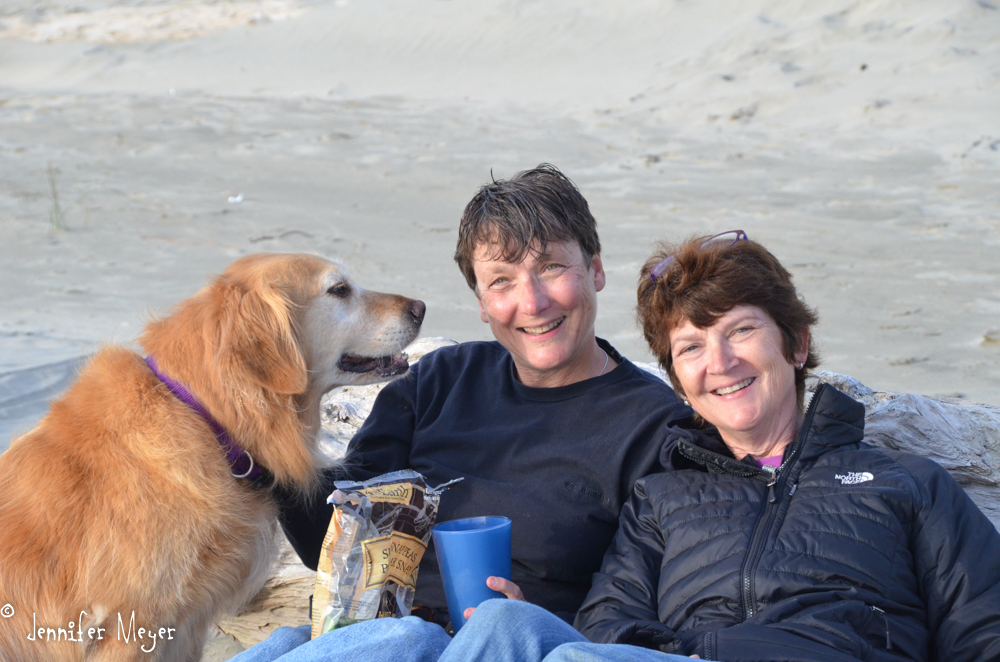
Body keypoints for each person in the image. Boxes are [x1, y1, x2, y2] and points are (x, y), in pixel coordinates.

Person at [430, 230, 1000, 662]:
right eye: (691, 348)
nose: (720, 364)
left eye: (742, 331)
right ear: (680, 383)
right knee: (496, 628)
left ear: (797, 345)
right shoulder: (662, 499)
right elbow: (605, 631)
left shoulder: (906, 485)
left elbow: (985, 633)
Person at [228, 165, 690, 661]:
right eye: (502, 281)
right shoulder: (440, 380)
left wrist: (540, 621)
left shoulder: (655, 429)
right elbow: (338, 531)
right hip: (389, 639)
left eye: (552, 268)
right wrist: (256, 454)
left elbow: (641, 612)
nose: (531, 302)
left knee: (455, 631)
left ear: (596, 269)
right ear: (482, 304)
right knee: (289, 643)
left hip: (514, 646)